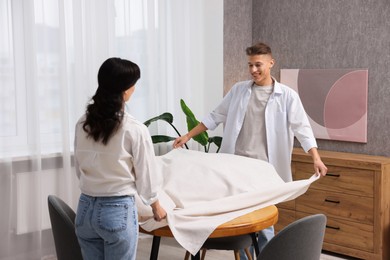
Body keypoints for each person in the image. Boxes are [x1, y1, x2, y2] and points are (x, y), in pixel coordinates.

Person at [173, 42, 328, 259]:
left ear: (271, 63)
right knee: (243, 220)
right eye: (250, 65)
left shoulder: (287, 96)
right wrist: (188, 135)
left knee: (263, 223)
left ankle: (264, 256)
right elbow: (215, 116)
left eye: (258, 65)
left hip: (266, 171)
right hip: (236, 167)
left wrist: (316, 159)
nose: (253, 70)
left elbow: (302, 128)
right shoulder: (239, 90)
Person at [74, 57, 166, 260]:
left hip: (84, 210)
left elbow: (78, 166)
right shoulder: (134, 129)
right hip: (116, 212)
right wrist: (156, 207)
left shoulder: (82, 123)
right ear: (126, 90)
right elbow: (146, 176)